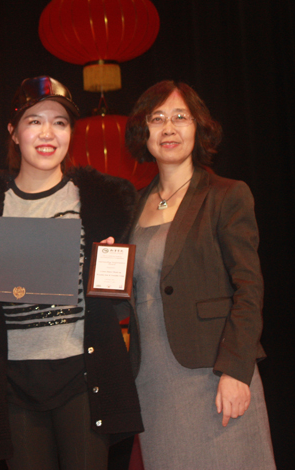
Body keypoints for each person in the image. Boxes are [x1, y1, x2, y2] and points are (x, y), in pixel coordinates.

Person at [0, 76, 143, 470]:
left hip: (82, 375)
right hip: (14, 381)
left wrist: (111, 269)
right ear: (13, 131)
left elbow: (118, 296)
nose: (47, 133)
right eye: (34, 121)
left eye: (59, 122)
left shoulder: (101, 201)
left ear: (71, 132)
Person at [124, 80, 276, 469]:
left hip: (215, 375)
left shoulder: (227, 195)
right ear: (144, 132)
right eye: (157, 119)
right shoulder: (132, 207)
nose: (169, 129)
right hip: (153, 382)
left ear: (199, 128)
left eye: (180, 117)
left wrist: (237, 372)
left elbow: (249, 289)